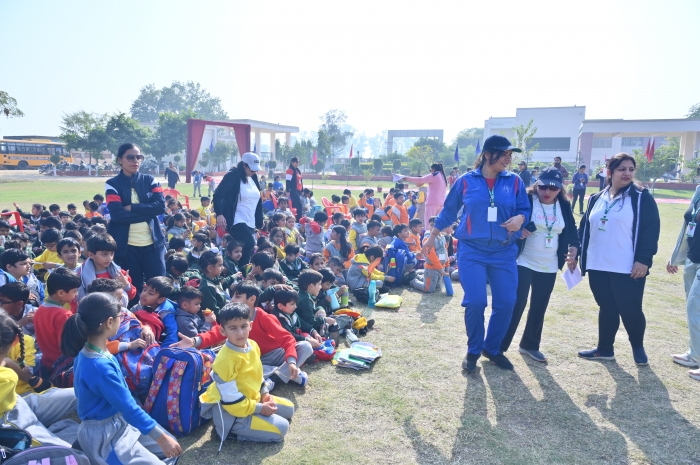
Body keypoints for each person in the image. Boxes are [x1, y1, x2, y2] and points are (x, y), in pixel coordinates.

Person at [425, 135, 530, 372]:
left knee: (507, 303)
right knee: (476, 301)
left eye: (510, 155)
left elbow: (525, 208)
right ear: (487, 154)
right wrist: (432, 236)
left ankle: (491, 349)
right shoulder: (465, 181)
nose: (508, 159)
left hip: (504, 251)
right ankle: (473, 350)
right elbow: (449, 211)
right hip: (472, 250)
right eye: (503, 154)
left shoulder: (514, 181)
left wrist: (520, 219)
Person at [62, 293, 183, 463]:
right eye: (121, 316)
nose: (123, 319)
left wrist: (162, 438)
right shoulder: (99, 367)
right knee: (165, 447)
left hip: (120, 421)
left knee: (172, 448)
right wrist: (162, 439)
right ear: (109, 322)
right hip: (105, 435)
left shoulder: (89, 350)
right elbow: (129, 408)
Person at [577, 152, 660, 365]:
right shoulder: (597, 198)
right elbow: (584, 227)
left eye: (631, 169)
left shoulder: (641, 197)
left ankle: (638, 347)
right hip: (598, 264)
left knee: (631, 310)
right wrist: (577, 251)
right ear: (610, 172)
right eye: (622, 169)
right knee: (607, 307)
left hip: (627, 267)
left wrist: (643, 259)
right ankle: (605, 349)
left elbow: (651, 231)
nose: (627, 173)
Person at [500, 167, 580, 362]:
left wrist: (575, 247)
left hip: (549, 264)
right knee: (516, 303)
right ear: (537, 184)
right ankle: (499, 346)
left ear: (560, 189)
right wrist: (519, 230)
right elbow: (509, 221)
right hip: (523, 260)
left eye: (553, 188)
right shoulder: (527, 199)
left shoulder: (563, 205)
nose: (547, 191)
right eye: (543, 186)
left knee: (539, 305)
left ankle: (530, 344)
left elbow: (571, 229)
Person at [199, 302, 294, 448]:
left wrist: (264, 394)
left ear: (250, 325)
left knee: (289, 409)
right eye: (233, 328)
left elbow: (258, 374)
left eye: (244, 326)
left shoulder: (253, 345)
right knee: (282, 428)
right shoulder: (225, 361)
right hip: (234, 415)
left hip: (252, 400)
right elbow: (231, 402)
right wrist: (261, 408)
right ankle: (231, 432)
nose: (240, 333)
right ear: (223, 331)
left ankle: (257, 414)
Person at [106, 143, 167, 303]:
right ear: (120, 160)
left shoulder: (150, 180)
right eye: (130, 157)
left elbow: (160, 207)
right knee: (133, 289)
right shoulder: (112, 184)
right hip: (127, 248)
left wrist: (132, 207)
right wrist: (147, 212)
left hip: (153, 245)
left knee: (160, 287)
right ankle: (135, 317)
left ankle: (159, 317)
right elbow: (117, 215)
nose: (135, 160)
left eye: (139, 157)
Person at [667, 183, 700, 379]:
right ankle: (695, 354)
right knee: (693, 308)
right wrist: (676, 256)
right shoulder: (698, 191)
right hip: (692, 258)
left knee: (695, 308)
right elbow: (688, 225)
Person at [213, 153, 264, 267]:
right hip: (235, 218)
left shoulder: (253, 177)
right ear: (244, 165)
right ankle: (239, 269)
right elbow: (217, 195)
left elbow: (257, 200)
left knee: (245, 248)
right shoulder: (232, 176)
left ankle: (238, 270)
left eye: (256, 170)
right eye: (252, 169)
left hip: (250, 219)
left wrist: (260, 218)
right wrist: (219, 214)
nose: (254, 172)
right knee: (250, 243)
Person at [285, 156, 304, 222]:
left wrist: (302, 190)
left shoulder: (298, 170)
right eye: (296, 162)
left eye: (298, 162)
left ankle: (294, 220)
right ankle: (299, 220)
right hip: (293, 191)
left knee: (295, 206)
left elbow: (300, 181)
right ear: (292, 162)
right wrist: (288, 190)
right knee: (299, 206)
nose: (297, 163)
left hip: (298, 191)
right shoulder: (290, 170)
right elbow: (288, 181)